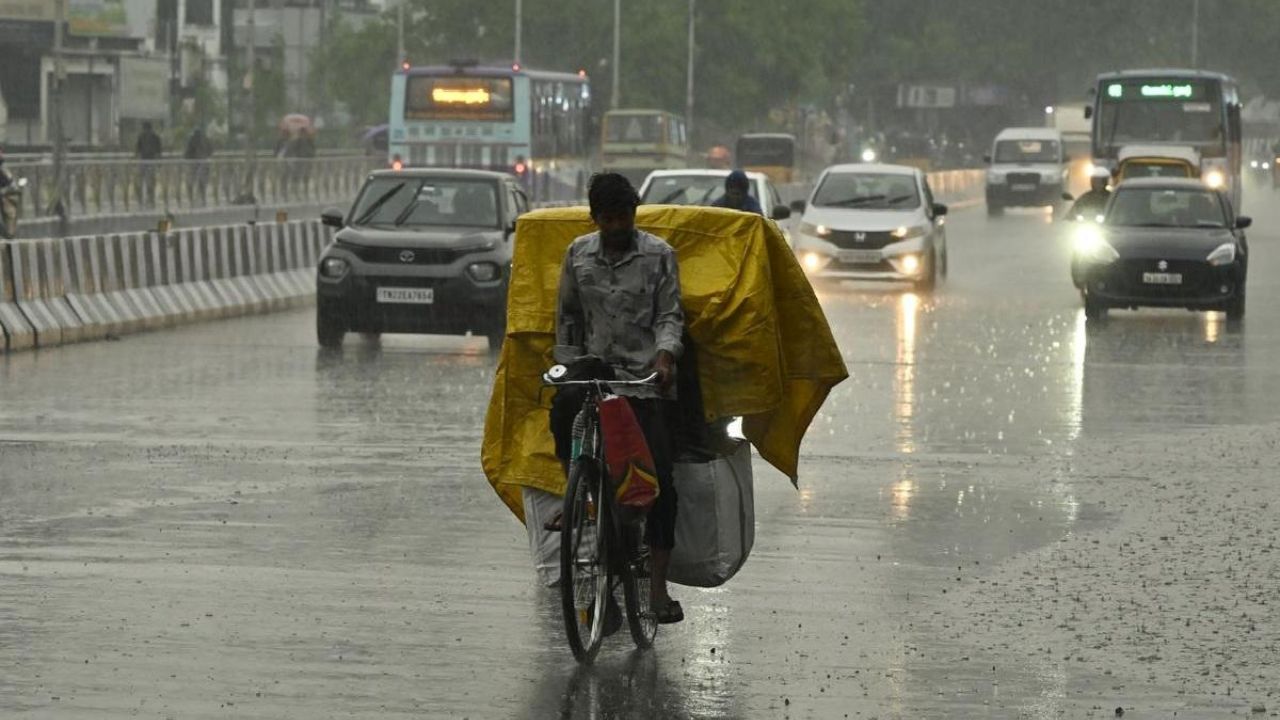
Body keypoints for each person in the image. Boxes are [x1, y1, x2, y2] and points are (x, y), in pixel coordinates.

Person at [550, 172, 686, 625]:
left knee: (658, 481)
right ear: (595, 219)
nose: (615, 227)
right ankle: (573, 493)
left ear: (634, 214)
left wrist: (665, 358)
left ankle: (658, 591)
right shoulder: (577, 255)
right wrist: (565, 366)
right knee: (560, 412)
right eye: (607, 219)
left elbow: (669, 315)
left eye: (623, 217)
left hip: (645, 381)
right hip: (594, 375)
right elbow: (568, 319)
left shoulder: (659, 256)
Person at [135, 121, 163, 206]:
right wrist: (159, 163)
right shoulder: (156, 137)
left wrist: (134, 160)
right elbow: (159, 151)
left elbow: (137, 150)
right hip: (152, 162)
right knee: (151, 182)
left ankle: (141, 200)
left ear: (144, 128)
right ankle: (151, 200)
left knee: (140, 181)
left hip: (143, 161)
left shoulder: (141, 136)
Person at [183, 127, 213, 203]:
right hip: (201, 162)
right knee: (201, 182)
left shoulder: (192, 139)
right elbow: (210, 151)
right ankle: (201, 198)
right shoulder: (205, 140)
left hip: (194, 163)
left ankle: (193, 199)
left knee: (192, 182)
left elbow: (186, 154)